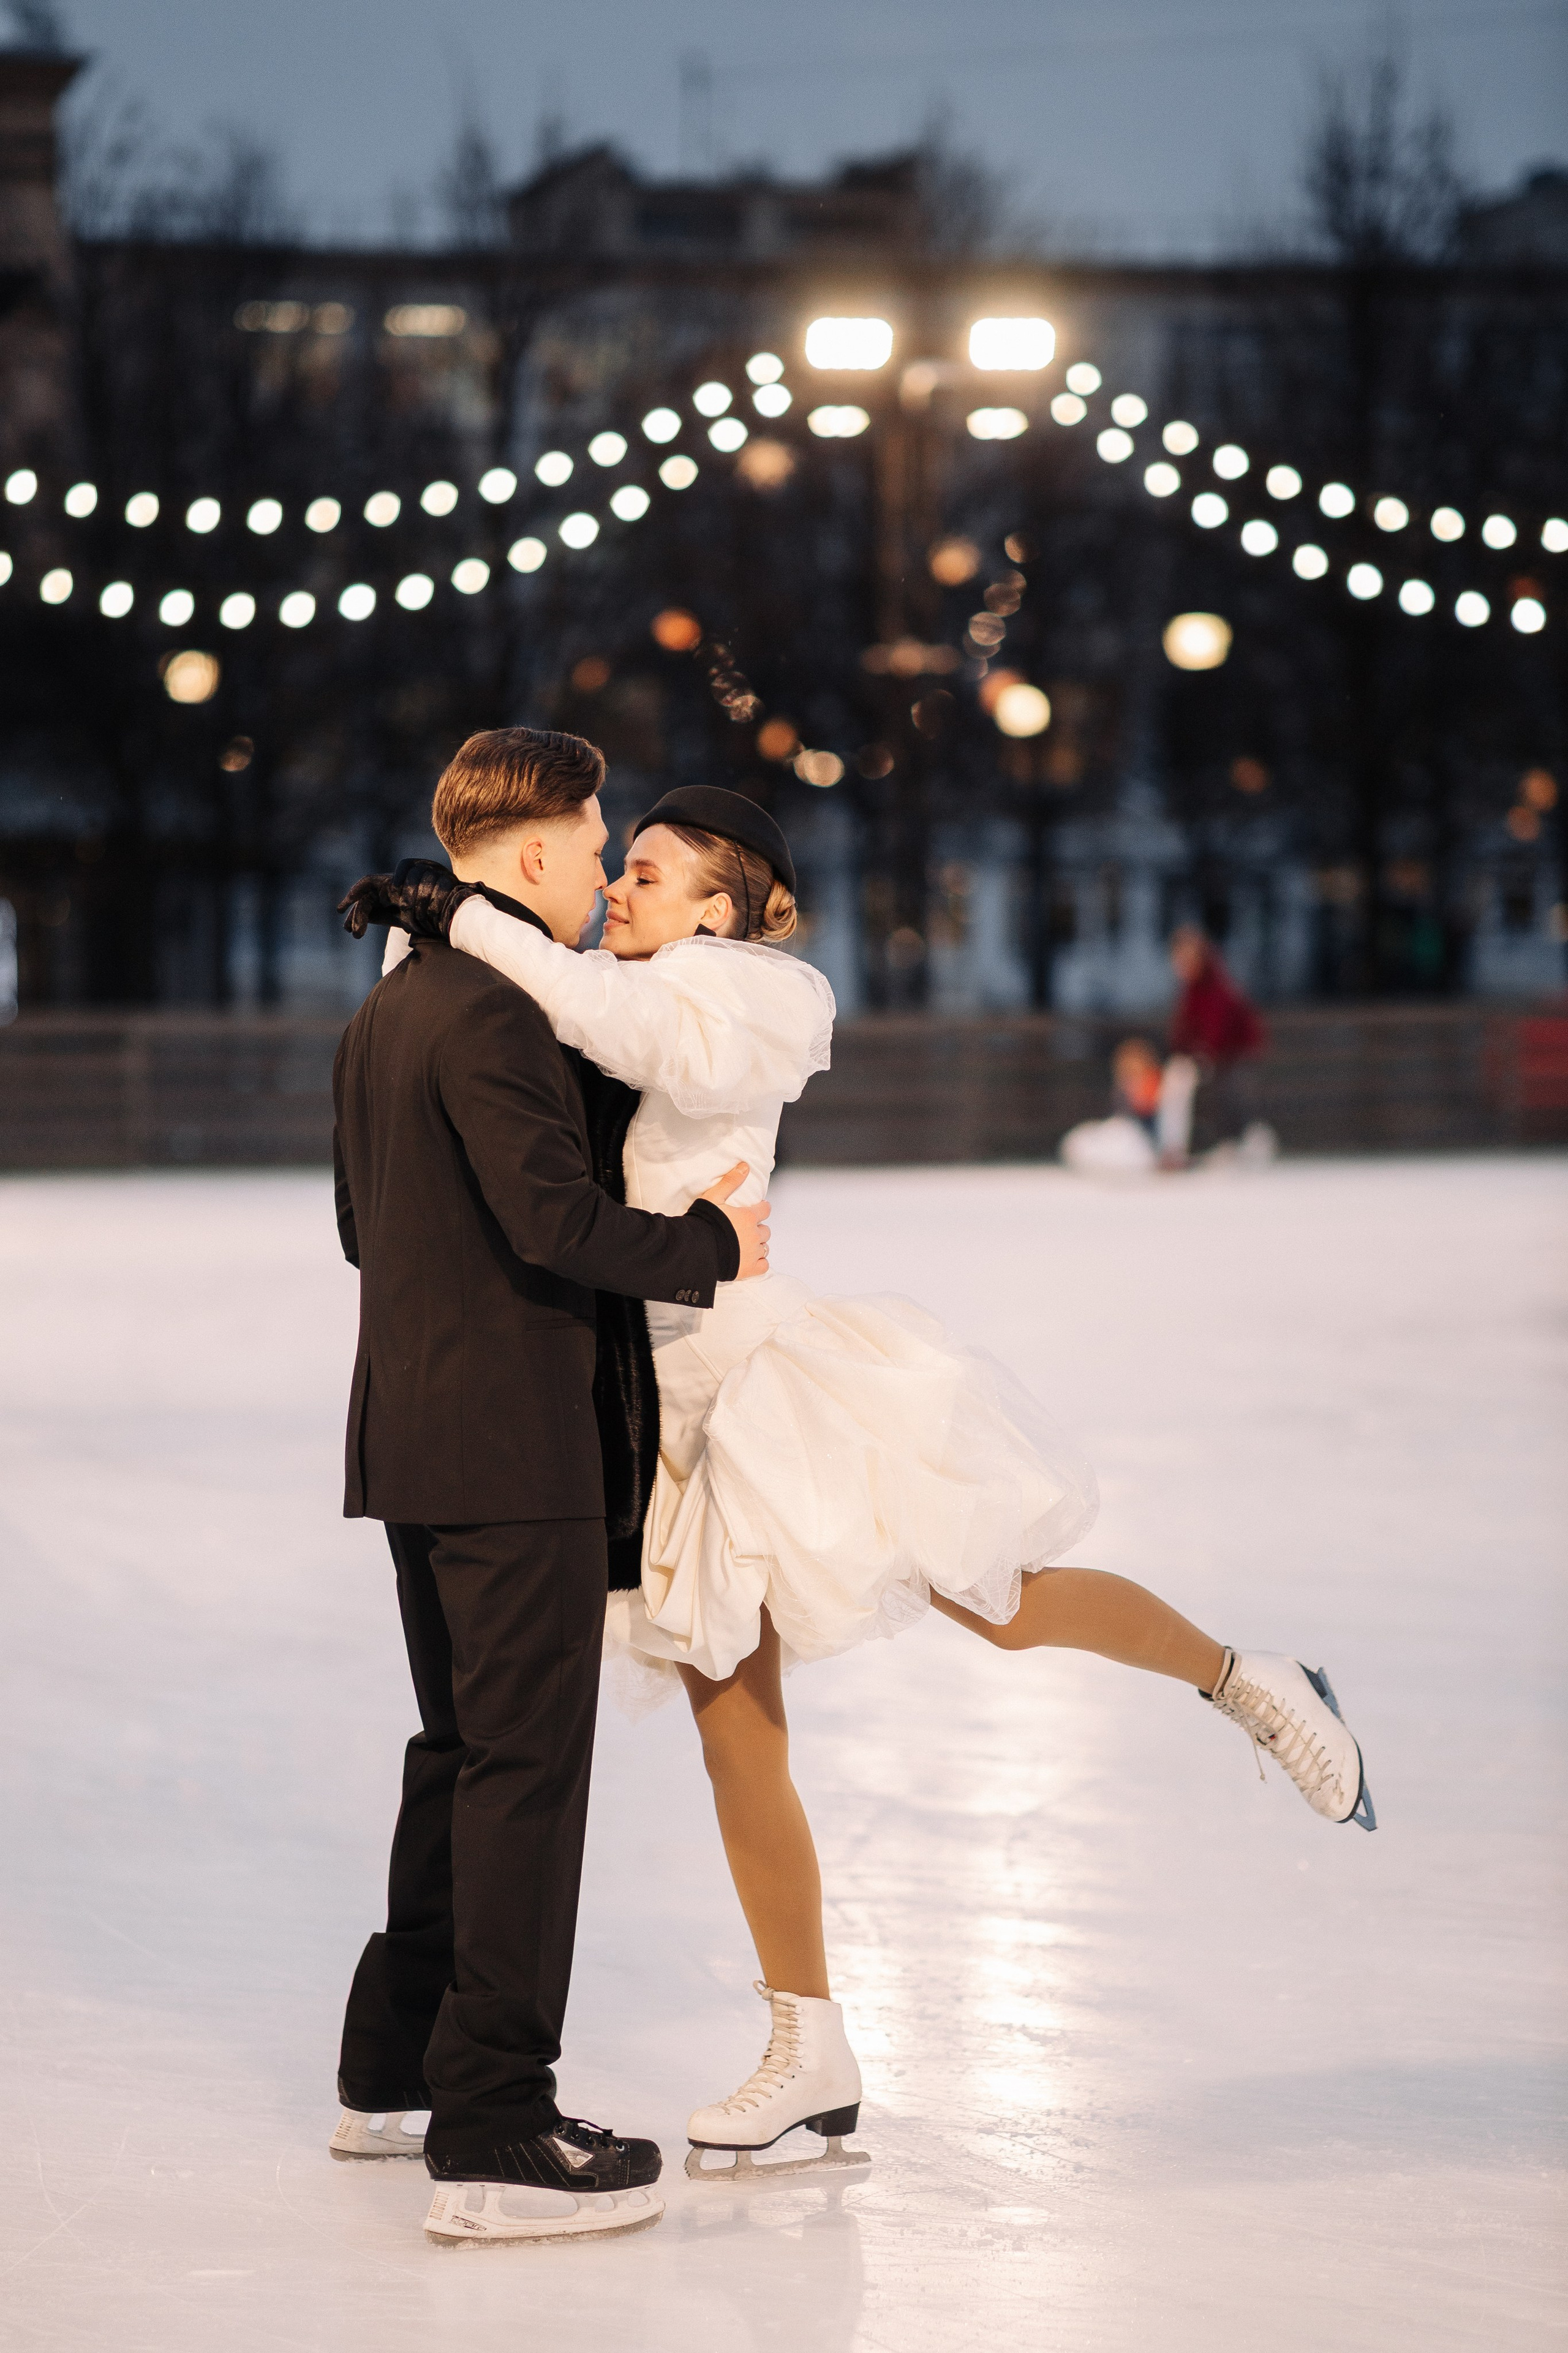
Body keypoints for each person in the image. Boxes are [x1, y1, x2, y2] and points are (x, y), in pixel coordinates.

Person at [345, 785, 1374, 2191]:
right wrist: (427, 945)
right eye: (615, 867)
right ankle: (808, 2045)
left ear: (717, 902)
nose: (620, 890)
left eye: (645, 870)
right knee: (736, 1737)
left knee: (996, 1601)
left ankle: (1245, 1677)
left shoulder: (742, 994)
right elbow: (533, 1025)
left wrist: (457, 912)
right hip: (680, 1422)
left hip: (771, 1393)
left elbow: (594, 1012)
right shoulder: (620, 984)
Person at [328, 731, 771, 2248]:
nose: (598, 878)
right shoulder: (496, 1012)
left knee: (459, 1749)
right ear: (528, 859)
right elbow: (557, 1218)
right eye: (592, 849)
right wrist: (710, 1246)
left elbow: (356, 1224)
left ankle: (389, 2063)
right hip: (513, 1447)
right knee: (524, 1768)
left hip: (410, 1435)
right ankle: (497, 2121)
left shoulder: (391, 1002)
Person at [1167, 924, 1273, 1158]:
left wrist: (1204, 1054)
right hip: (1217, 1053)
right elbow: (1185, 1029)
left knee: (1229, 1089)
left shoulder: (1216, 986)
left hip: (1237, 1050)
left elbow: (1219, 1026)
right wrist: (1183, 1052)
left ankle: (1239, 1141)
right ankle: (1211, 1143)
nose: (1181, 965)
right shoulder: (1191, 990)